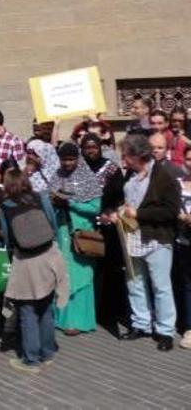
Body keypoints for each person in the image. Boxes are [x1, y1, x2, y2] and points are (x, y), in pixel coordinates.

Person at [111, 134, 180, 351]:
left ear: (137, 155)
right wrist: (117, 213)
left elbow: (170, 211)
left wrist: (139, 213)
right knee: (135, 281)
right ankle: (141, 323)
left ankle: (165, 330)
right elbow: (123, 201)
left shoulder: (164, 177)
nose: (123, 159)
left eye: (126, 155)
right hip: (132, 236)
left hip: (156, 237)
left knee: (161, 286)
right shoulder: (129, 176)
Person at [0, 168, 68, 374]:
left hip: (25, 261)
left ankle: (31, 359)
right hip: (48, 255)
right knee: (46, 306)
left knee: (27, 309)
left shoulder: (5, 206)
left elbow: (8, 239)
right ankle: (47, 353)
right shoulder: (40, 197)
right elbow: (52, 224)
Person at [49, 143, 101, 335]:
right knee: (61, 273)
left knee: (80, 275)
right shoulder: (57, 175)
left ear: (78, 159)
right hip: (61, 232)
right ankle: (61, 318)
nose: (68, 163)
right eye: (64, 160)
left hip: (81, 235)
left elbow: (95, 207)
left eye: (71, 159)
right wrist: (55, 202)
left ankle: (78, 320)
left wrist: (71, 204)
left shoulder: (88, 178)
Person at [81, 134, 128, 332]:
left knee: (109, 271)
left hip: (108, 228)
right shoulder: (79, 170)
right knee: (87, 271)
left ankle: (109, 313)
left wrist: (108, 211)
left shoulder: (111, 168)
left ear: (100, 147)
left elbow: (118, 196)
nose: (91, 150)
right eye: (87, 147)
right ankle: (89, 311)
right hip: (85, 226)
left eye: (94, 146)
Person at [176, 145, 191, 349]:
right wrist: (182, 217)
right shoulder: (178, 184)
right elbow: (170, 208)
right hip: (184, 240)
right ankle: (189, 328)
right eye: (188, 159)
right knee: (188, 285)